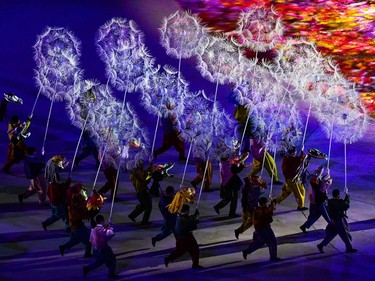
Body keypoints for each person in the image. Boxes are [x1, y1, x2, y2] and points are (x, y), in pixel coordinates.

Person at [317, 189, 357, 254]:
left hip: (333, 221)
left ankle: (321, 245)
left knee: (331, 234)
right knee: (346, 234)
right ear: (338, 195)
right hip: (340, 220)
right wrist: (347, 196)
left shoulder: (330, 201)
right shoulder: (339, 202)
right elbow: (346, 205)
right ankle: (349, 248)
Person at [164, 204, 203, 269]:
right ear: (186, 211)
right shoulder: (184, 219)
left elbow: (190, 218)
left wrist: (196, 214)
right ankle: (169, 258)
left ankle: (169, 258)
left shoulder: (179, 216)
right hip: (186, 237)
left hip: (181, 237)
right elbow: (193, 225)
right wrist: (196, 218)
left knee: (184, 251)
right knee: (193, 250)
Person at [59, 183, 92, 258]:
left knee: (75, 241)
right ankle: (87, 254)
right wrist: (85, 213)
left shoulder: (73, 203)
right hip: (77, 226)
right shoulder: (74, 206)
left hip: (74, 226)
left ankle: (63, 247)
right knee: (89, 240)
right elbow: (78, 216)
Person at [242, 197, 280, 262]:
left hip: (261, 229)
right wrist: (272, 202)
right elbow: (269, 212)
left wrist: (272, 203)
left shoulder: (257, 209)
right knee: (272, 242)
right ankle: (273, 257)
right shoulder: (261, 210)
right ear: (264, 203)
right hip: (263, 229)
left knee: (261, 243)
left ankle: (247, 251)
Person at [42, 155, 71, 232]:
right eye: (63, 162)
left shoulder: (52, 176)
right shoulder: (55, 182)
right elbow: (61, 189)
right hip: (57, 201)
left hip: (55, 200)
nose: (64, 162)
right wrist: (68, 183)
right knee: (64, 215)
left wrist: (64, 166)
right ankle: (68, 229)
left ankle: (46, 223)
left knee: (58, 215)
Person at [300, 166, 332, 233]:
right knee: (326, 215)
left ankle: (305, 226)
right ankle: (333, 226)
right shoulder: (314, 180)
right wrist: (327, 181)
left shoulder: (316, 178)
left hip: (314, 200)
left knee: (315, 215)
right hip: (318, 201)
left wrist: (327, 177)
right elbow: (322, 188)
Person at [234, 175, 267, 239]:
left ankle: (239, 231)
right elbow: (262, 190)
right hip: (251, 208)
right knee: (255, 222)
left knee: (247, 222)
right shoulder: (255, 189)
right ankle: (258, 236)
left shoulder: (247, 186)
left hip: (245, 207)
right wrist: (262, 184)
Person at [128, 160, 153, 225]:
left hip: (140, 192)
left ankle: (132, 215)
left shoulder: (134, 173)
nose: (143, 166)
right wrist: (150, 169)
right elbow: (145, 181)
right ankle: (144, 222)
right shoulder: (137, 174)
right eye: (142, 165)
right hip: (142, 192)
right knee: (148, 207)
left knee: (143, 206)